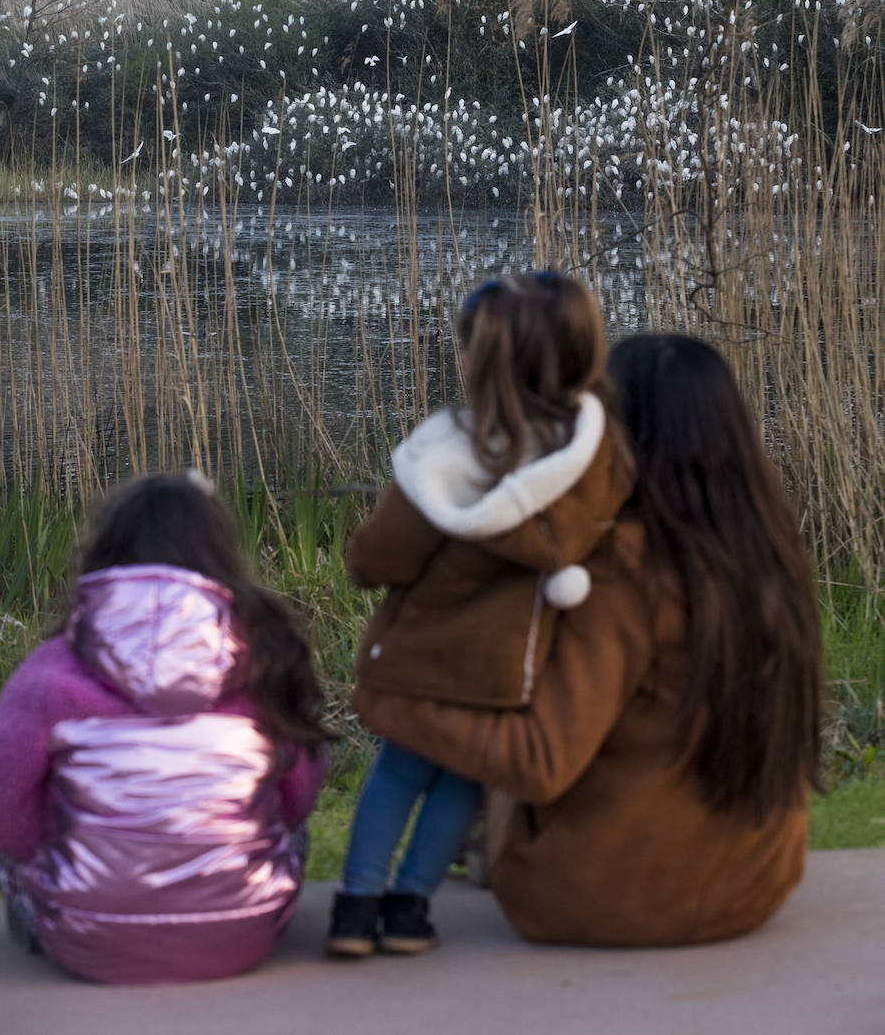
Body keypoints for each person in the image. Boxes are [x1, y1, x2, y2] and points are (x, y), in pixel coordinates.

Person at [352, 332, 823, 946]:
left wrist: (395, 702)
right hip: (754, 884)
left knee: (491, 731)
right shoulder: (768, 551)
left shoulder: (626, 568)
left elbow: (540, 761)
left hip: (604, 900)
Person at [327, 271, 636, 956]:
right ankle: (409, 911)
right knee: (461, 784)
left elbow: (383, 557)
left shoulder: (449, 455)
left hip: (419, 660)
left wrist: (363, 562)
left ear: (479, 362)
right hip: (502, 668)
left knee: (397, 775)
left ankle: (355, 910)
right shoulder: (593, 460)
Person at [0, 472, 330, 983]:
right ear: (221, 557)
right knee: (289, 826)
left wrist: (61, 849)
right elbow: (298, 797)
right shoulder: (262, 660)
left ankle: (48, 914)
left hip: (84, 937)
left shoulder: (52, 672)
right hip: (241, 933)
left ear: (104, 555)